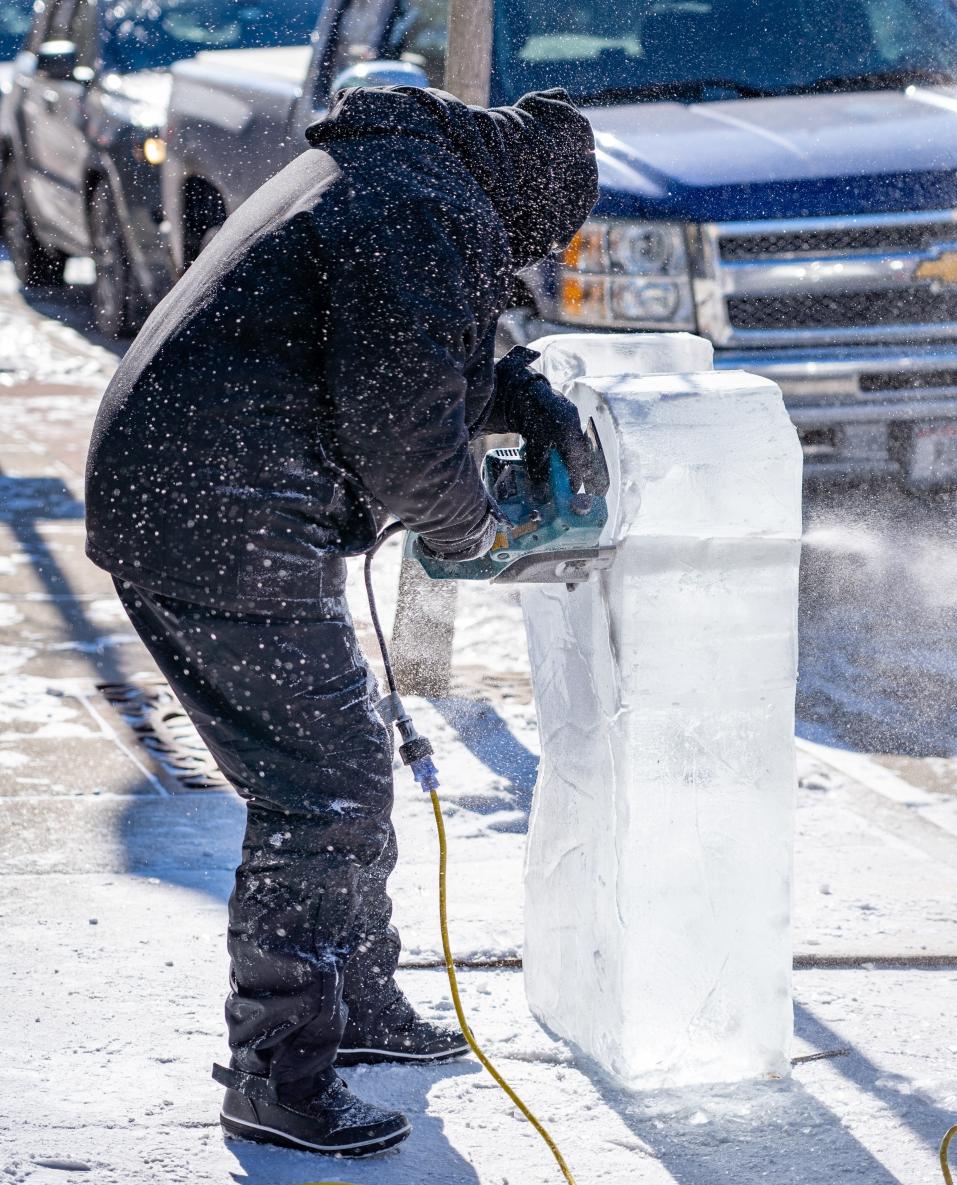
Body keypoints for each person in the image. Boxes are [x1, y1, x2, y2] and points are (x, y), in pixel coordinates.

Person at [84, 84, 598, 1157]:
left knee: (343, 760)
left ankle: (357, 1008)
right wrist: (470, 532)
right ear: (530, 201)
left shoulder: (397, 178)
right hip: (218, 508)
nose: (527, 261)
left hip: (197, 491)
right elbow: (401, 420)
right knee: (321, 791)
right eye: (537, 243)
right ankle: (278, 1076)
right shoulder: (421, 205)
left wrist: (513, 390)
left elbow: (392, 336)